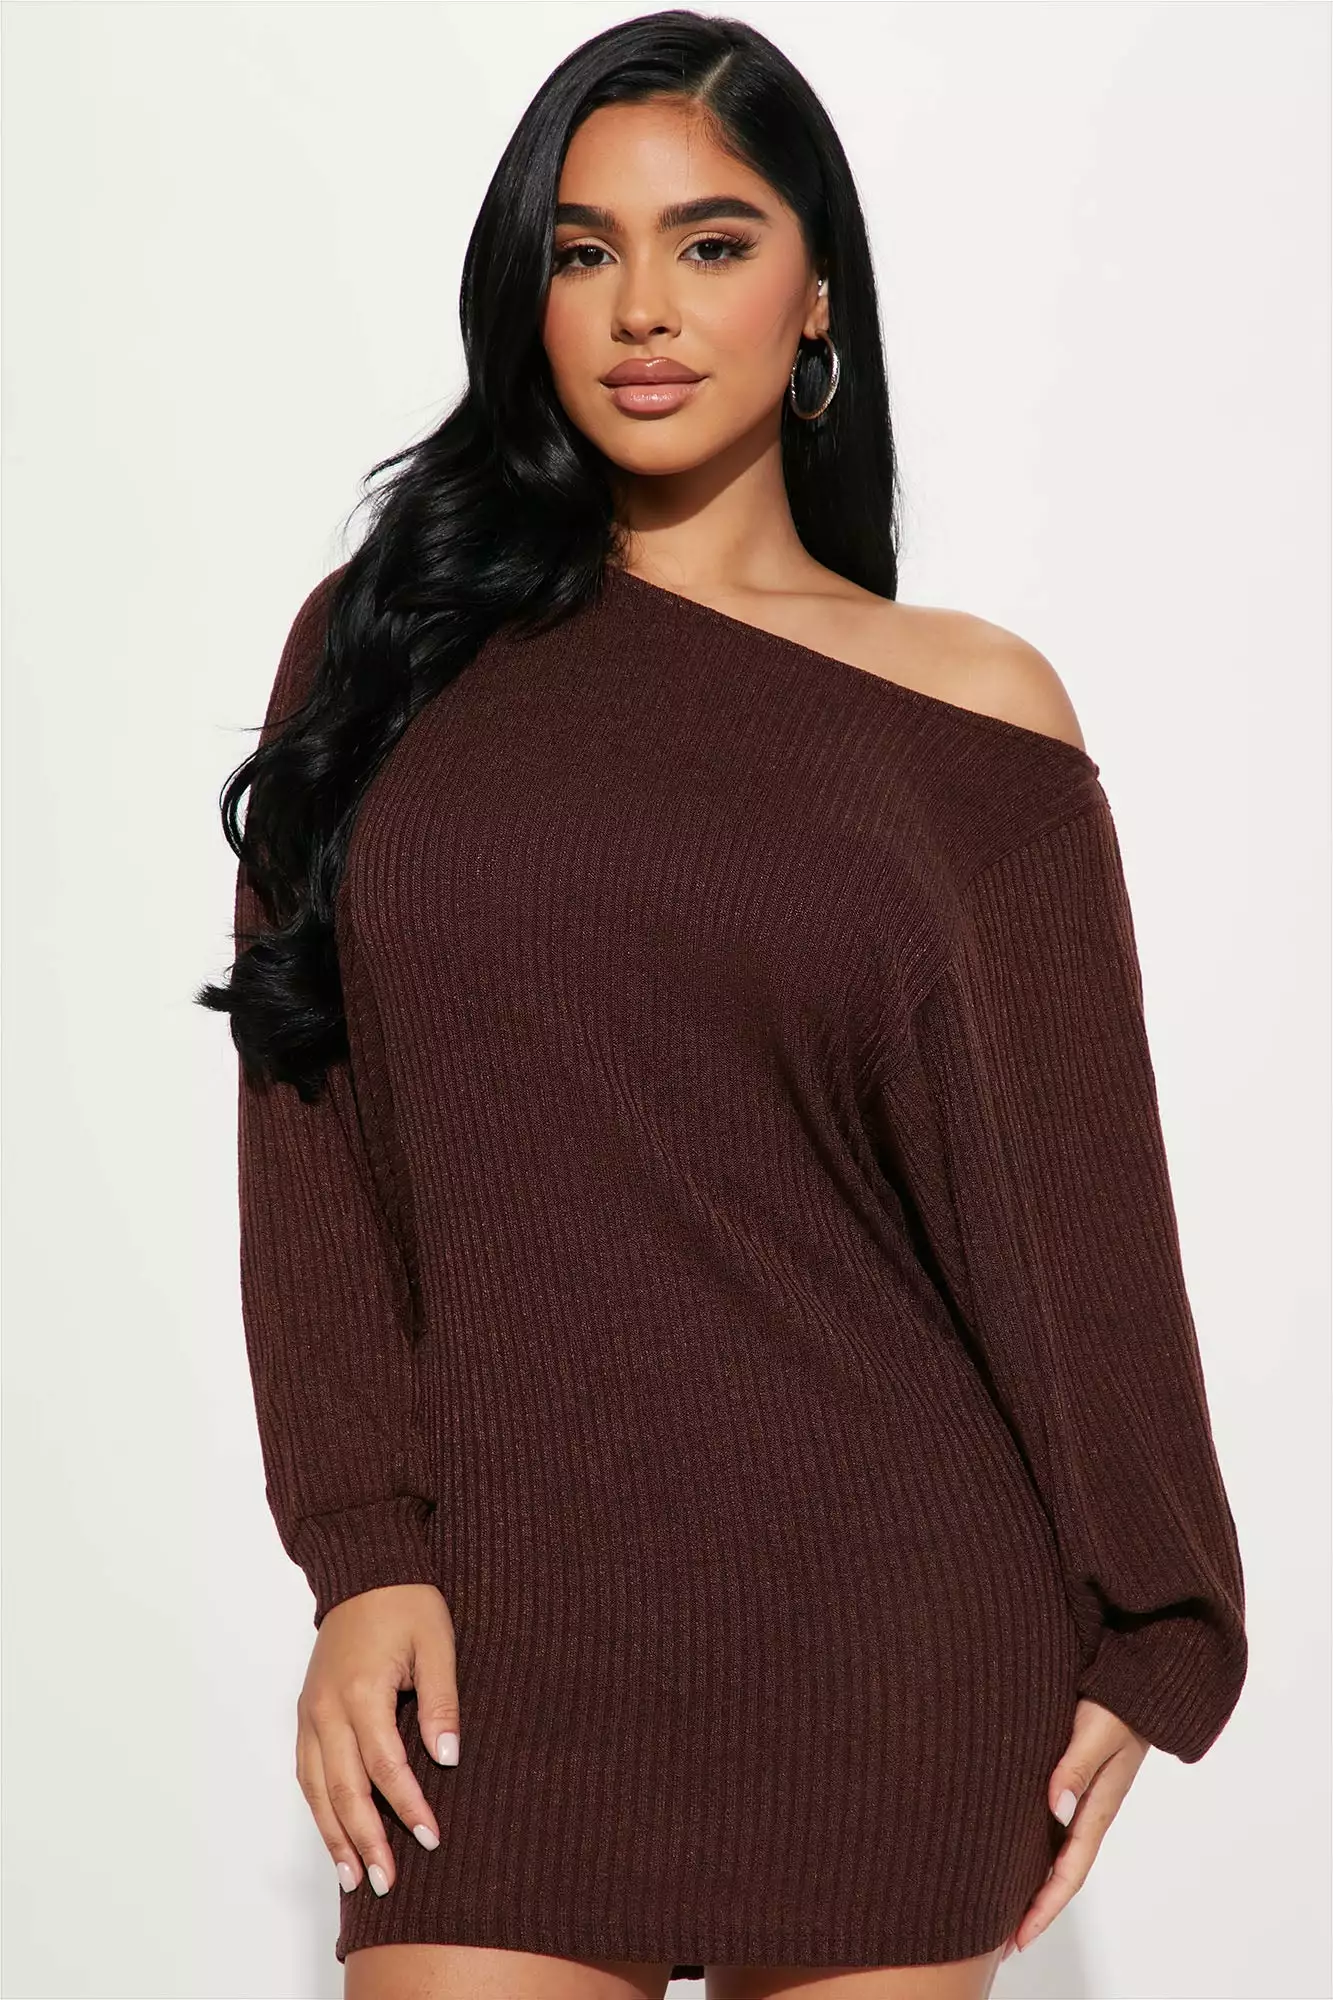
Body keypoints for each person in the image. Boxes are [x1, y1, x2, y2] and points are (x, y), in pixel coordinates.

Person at [197, 11, 1247, 1999]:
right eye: (583, 251)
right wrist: (363, 1552)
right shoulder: (388, 653)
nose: (644, 310)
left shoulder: (969, 713)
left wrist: (1159, 1625)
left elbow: (1076, 1219)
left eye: (711, 241)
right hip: (489, 1644)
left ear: (817, 289)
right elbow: (305, 1120)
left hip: (891, 1638)